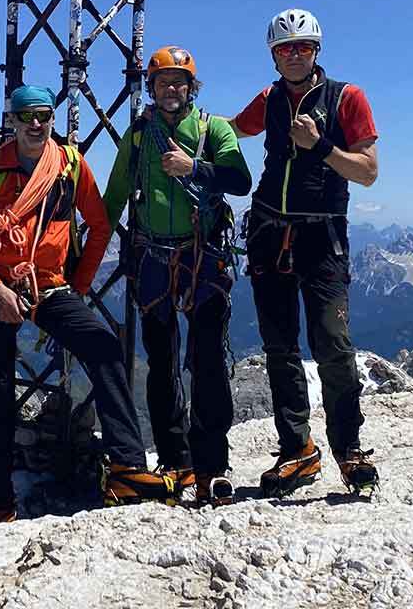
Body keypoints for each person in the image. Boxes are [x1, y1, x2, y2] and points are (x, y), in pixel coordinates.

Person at [0, 84, 161, 533]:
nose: (36, 123)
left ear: (52, 118)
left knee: (104, 347)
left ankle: (127, 466)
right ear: (12, 121)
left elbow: (100, 224)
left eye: (44, 115)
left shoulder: (69, 164)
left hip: (50, 286)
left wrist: (79, 286)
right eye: (26, 115)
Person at [233, 9, 381, 497]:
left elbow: (367, 171)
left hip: (322, 237)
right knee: (279, 347)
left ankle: (348, 448)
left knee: (332, 345)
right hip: (269, 233)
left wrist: (319, 147)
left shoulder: (346, 98)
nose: (293, 55)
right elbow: (232, 129)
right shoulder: (269, 99)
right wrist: (182, 120)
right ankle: (297, 448)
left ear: (316, 51)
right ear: (274, 56)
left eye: (302, 47)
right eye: (284, 48)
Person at [102, 46, 251, 507]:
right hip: (153, 259)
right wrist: (86, 256)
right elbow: (115, 195)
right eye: (163, 82)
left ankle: (212, 466)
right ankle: (175, 461)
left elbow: (240, 180)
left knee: (206, 362)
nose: (171, 89)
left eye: (179, 82)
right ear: (151, 88)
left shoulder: (213, 129)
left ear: (191, 88)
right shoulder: (138, 135)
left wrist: (195, 168)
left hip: (202, 258)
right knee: (162, 363)